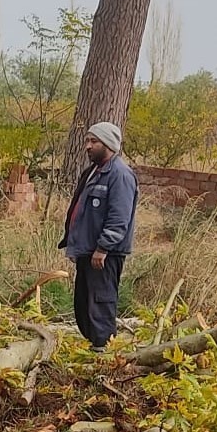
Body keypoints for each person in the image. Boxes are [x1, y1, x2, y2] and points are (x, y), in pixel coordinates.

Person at [58, 122, 139, 351]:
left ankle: (104, 352)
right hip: (88, 251)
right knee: (84, 303)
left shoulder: (120, 175)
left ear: (109, 145)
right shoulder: (95, 171)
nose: (88, 146)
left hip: (104, 255)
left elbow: (119, 217)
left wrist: (103, 248)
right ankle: (94, 345)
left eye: (94, 141)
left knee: (100, 302)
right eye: (87, 140)